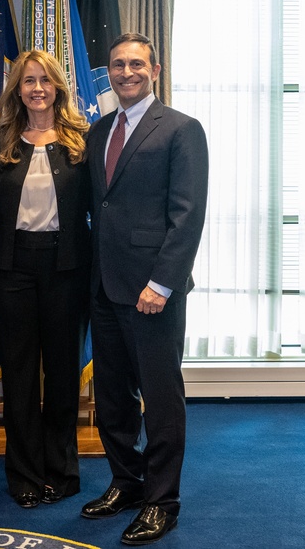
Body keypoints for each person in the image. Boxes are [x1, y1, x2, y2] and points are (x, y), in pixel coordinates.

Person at [81, 33, 208, 545]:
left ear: (155, 69)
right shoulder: (97, 131)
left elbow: (187, 215)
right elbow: (99, 209)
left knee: (159, 399)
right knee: (111, 397)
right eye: (117, 65)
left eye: (136, 64)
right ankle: (125, 483)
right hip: (105, 288)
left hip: (153, 291)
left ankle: (162, 502)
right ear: (107, 73)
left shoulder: (181, 129)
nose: (126, 72)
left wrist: (161, 283)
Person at [0, 50, 91, 509]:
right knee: (22, 376)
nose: (37, 89)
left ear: (58, 87)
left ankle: (61, 470)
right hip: (11, 268)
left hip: (66, 266)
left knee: (64, 375)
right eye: (28, 81)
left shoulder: (81, 142)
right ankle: (24, 473)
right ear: (17, 90)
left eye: (45, 80)